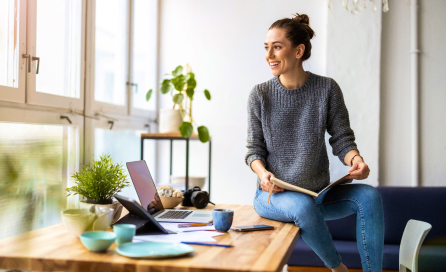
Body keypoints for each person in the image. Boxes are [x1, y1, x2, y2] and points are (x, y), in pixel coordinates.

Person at [245, 13, 384, 272]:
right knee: (303, 206)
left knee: (370, 197)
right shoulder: (260, 95)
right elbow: (254, 151)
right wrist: (263, 175)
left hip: (318, 194)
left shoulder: (327, 89)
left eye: (277, 47)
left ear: (298, 51)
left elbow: (342, 139)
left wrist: (356, 160)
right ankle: (338, 268)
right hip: (273, 197)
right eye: (266, 47)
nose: (269, 55)